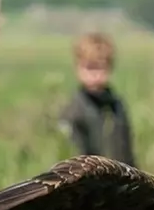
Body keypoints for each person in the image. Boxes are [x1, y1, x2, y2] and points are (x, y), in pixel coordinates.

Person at [58, 32, 138, 167]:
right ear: (77, 67)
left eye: (100, 68)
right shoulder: (73, 110)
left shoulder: (116, 106)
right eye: (89, 68)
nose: (95, 75)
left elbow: (127, 150)